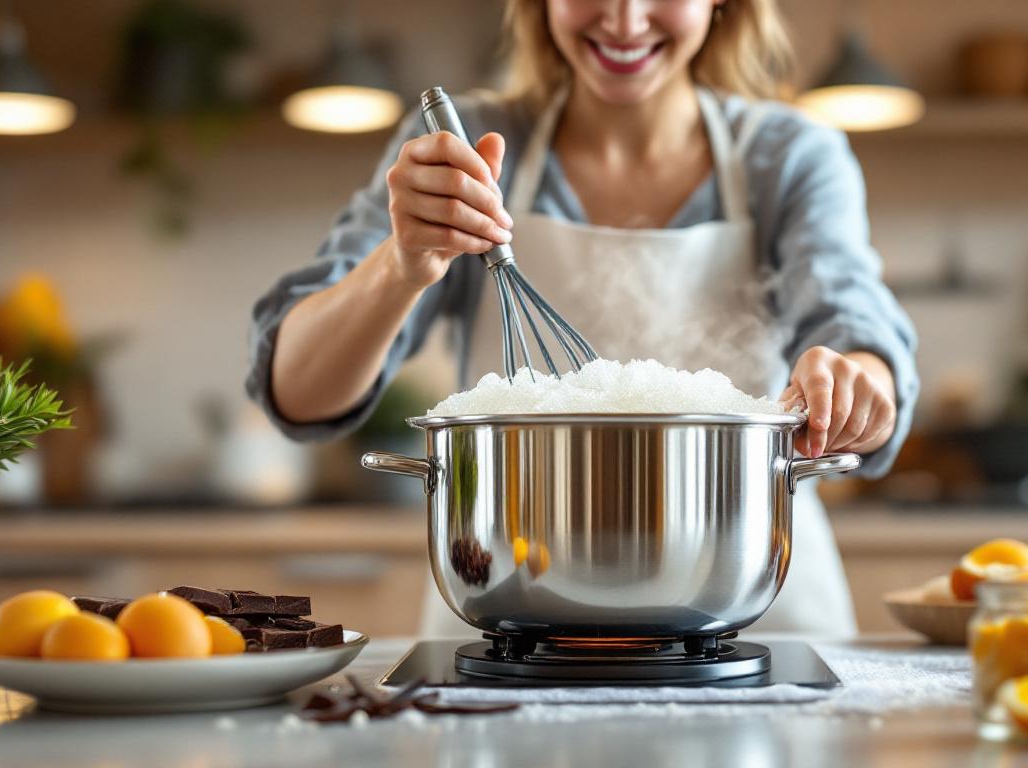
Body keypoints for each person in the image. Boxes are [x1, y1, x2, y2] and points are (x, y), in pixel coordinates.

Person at [247, 0, 918, 638]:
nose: (624, 19)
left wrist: (856, 384)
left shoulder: (788, 154)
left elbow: (854, 326)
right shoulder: (465, 145)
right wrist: (400, 263)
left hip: (754, 613)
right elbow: (299, 394)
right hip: (507, 609)